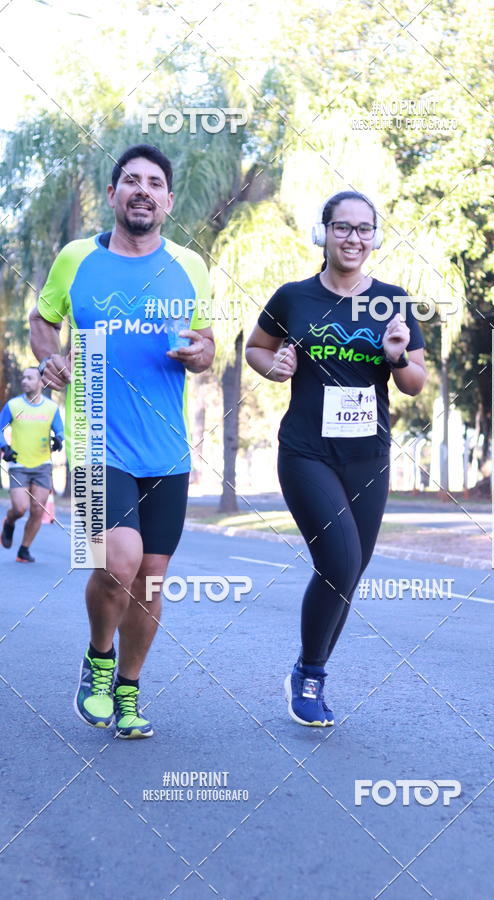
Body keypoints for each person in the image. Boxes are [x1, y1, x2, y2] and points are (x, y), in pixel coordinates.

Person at [29, 144, 215, 739]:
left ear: (168, 201)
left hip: (166, 447)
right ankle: (99, 657)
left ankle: (129, 690)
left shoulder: (189, 265)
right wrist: (50, 358)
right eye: (130, 181)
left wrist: (200, 354)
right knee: (119, 562)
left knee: (150, 578)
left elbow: (207, 345)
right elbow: (42, 320)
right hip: (95, 439)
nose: (142, 190)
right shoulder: (76, 258)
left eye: (154, 183)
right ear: (112, 195)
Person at [246, 191, 427, 727]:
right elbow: (256, 348)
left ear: (375, 237)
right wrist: (275, 366)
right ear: (322, 233)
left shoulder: (393, 301)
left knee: (350, 571)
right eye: (342, 227)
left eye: (364, 228)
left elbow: (415, 381)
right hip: (306, 451)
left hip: (368, 455)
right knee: (340, 562)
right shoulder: (293, 297)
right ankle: (311, 676)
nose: (353, 238)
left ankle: (308, 668)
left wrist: (396, 356)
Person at [0, 366, 64, 562]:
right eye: (23, 377)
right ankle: (9, 521)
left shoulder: (51, 408)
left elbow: (59, 431)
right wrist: (4, 447)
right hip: (19, 464)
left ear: (40, 382)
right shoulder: (13, 405)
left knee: (38, 510)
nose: (24, 381)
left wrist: (58, 440)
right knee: (20, 508)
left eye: (29, 378)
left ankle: (24, 550)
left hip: (43, 465)